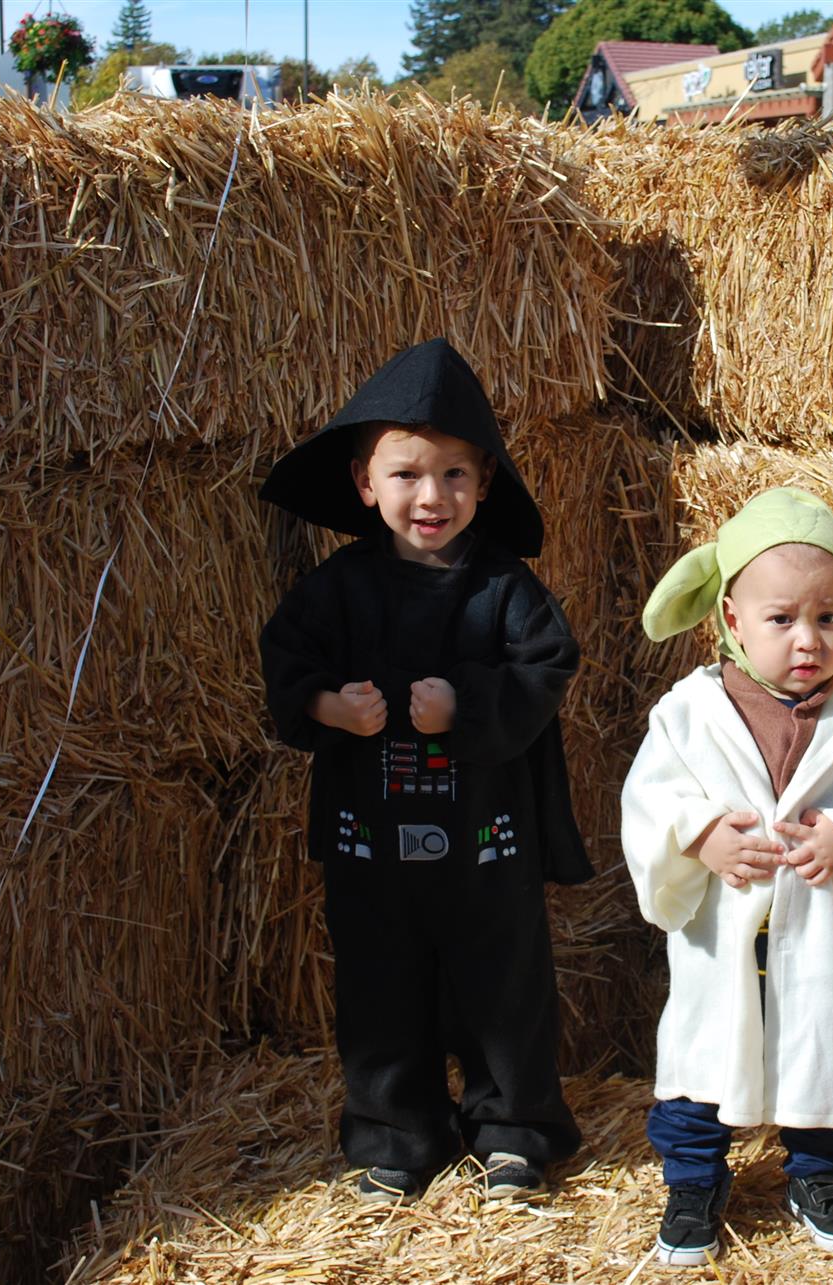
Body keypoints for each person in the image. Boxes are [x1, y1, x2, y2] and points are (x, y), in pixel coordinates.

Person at [259, 337, 590, 1204]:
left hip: (487, 839)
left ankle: (514, 1133)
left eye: (453, 475)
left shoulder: (506, 589)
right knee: (379, 989)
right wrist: (330, 708)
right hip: (371, 843)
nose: (431, 496)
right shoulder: (337, 590)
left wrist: (468, 706)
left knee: (503, 987)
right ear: (365, 483)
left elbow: (549, 665)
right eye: (406, 474)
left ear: (485, 482)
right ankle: (395, 1136)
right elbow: (287, 659)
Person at [621, 487, 833, 1263]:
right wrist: (701, 835)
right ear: (730, 619)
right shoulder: (687, 712)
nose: (808, 640)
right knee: (703, 1051)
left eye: (828, 618)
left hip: (818, 924)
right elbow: (651, 794)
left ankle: (819, 1174)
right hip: (727, 926)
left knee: (822, 1043)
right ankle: (693, 1177)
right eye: (781, 619)